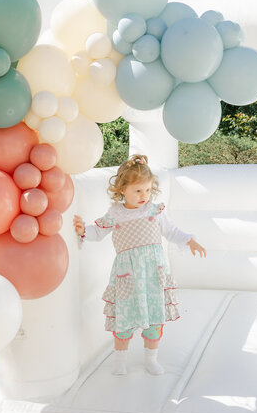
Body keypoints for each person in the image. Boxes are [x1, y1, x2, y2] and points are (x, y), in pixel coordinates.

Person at [73, 154, 206, 376]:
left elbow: (172, 231)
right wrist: (83, 230)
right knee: (124, 320)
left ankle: (151, 359)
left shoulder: (155, 211)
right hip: (128, 276)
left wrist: (189, 240)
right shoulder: (116, 214)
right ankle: (119, 361)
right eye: (137, 191)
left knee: (154, 320)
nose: (144, 195)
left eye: (147, 190)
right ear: (122, 189)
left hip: (153, 275)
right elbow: (98, 232)